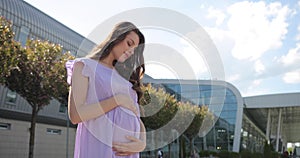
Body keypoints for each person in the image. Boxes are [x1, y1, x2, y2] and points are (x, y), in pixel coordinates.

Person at [66, 21, 146, 158]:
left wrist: (142, 143)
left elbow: (135, 114)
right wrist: (117, 100)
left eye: (134, 50)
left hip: (129, 153)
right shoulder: (85, 66)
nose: (130, 52)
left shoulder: (125, 78)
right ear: (117, 37)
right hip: (100, 149)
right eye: (129, 43)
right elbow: (76, 115)